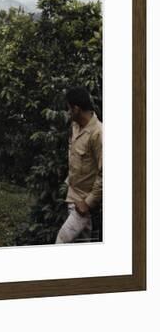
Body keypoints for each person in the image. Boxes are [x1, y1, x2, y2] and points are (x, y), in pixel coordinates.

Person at [56, 87, 103, 244]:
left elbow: (105, 173)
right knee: (82, 246)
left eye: (69, 108)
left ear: (76, 109)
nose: (68, 112)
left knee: (61, 241)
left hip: (83, 203)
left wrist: (88, 202)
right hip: (73, 197)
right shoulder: (75, 126)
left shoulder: (98, 134)